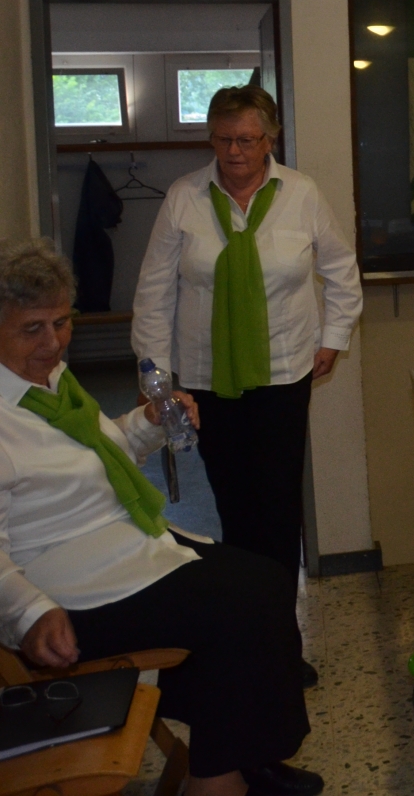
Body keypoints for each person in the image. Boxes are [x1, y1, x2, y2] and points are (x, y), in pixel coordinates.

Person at [3, 239, 316, 796]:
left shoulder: (50, 384)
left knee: (265, 583)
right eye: (33, 329)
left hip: (118, 546)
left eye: (61, 322)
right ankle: (223, 775)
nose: (53, 342)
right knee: (240, 607)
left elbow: (99, 452)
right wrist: (29, 611)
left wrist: (148, 423)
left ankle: (239, 760)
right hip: (66, 591)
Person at [132, 86, 360, 687]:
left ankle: (281, 647)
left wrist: (333, 339)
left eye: (246, 139)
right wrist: (155, 378)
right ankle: (247, 643)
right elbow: (153, 291)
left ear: (270, 138)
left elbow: (342, 272)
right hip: (208, 381)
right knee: (236, 514)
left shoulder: (302, 194)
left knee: (278, 515)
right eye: (222, 139)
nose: (233, 151)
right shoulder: (184, 198)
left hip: (283, 376)